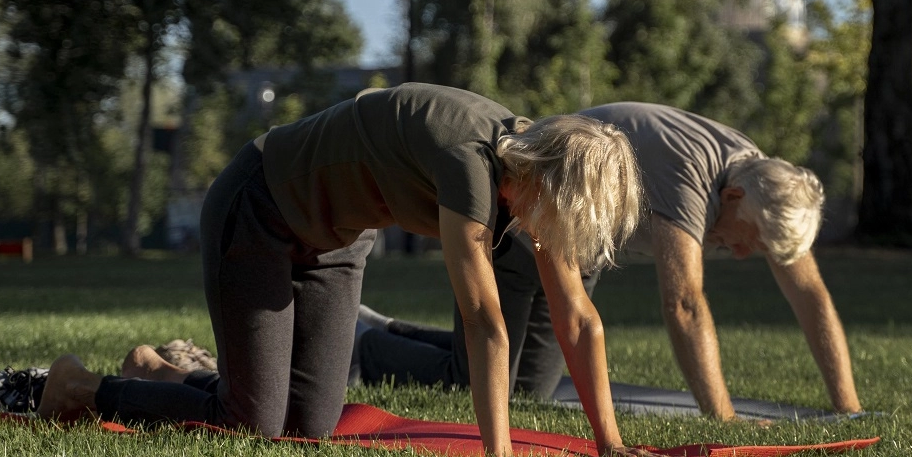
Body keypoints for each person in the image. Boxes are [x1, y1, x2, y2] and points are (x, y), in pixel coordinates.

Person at [32, 83, 651, 457]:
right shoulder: (474, 168)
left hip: (335, 245)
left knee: (308, 427)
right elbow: (484, 324)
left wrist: (611, 444)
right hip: (258, 210)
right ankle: (79, 387)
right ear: (544, 179)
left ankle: (160, 371)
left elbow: (578, 318)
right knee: (250, 425)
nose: (557, 239)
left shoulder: (533, 168)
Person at [354, 102, 863, 420]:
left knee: (530, 388)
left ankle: (391, 329)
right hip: (534, 212)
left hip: (585, 242)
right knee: (479, 381)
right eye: (750, 240)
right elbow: (684, 303)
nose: (746, 254)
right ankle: (368, 346)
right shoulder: (690, 179)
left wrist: (848, 408)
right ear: (730, 198)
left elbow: (810, 292)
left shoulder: (764, 180)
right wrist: (723, 420)